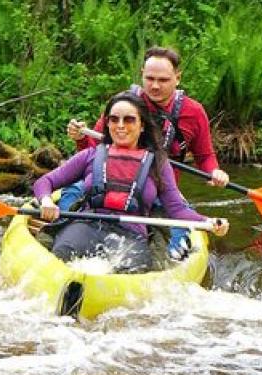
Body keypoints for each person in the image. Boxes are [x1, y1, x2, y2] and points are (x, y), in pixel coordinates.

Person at [34, 91, 229, 273]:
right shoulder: (90, 155)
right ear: (107, 124)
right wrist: (46, 201)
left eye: (129, 120)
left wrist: (208, 222)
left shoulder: (158, 164)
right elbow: (45, 182)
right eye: (114, 119)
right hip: (86, 225)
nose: (120, 125)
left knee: (129, 270)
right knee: (63, 255)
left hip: (130, 235)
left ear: (142, 125)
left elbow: (177, 210)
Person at [65, 46, 230, 259]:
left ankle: (168, 258)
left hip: (159, 192)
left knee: (174, 245)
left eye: (163, 80)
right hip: (107, 183)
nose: (155, 86)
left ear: (177, 78)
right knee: (71, 193)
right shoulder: (122, 106)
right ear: (142, 73)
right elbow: (93, 152)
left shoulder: (194, 112)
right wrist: (80, 139)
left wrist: (214, 171)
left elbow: (205, 157)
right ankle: (61, 232)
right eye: (150, 78)